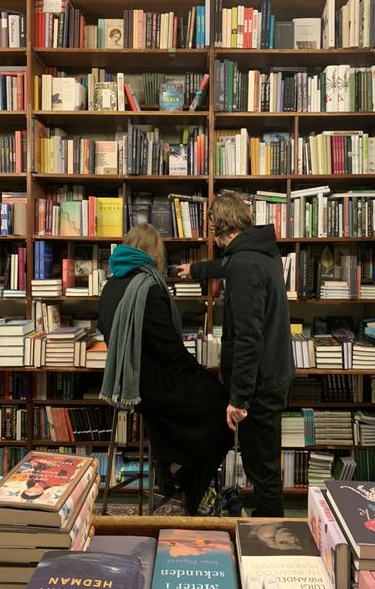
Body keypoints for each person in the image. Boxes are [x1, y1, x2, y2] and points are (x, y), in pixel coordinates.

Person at [98, 223, 233, 515]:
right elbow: (170, 350)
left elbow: (105, 332)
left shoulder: (110, 285)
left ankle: (168, 463)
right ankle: (188, 482)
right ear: (154, 254)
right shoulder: (149, 288)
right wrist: (201, 371)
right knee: (222, 405)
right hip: (153, 387)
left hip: (129, 383)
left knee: (201, 399)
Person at [176, 192, 294, 517]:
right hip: (272, 375)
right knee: (263, 462)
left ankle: (271, 539)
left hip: (258, 385)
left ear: (216, 225)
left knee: (263, 469)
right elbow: (226, 266)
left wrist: (240, 400)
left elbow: (247, 339)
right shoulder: (260, 253)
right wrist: (197, 269)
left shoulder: (243, 265)